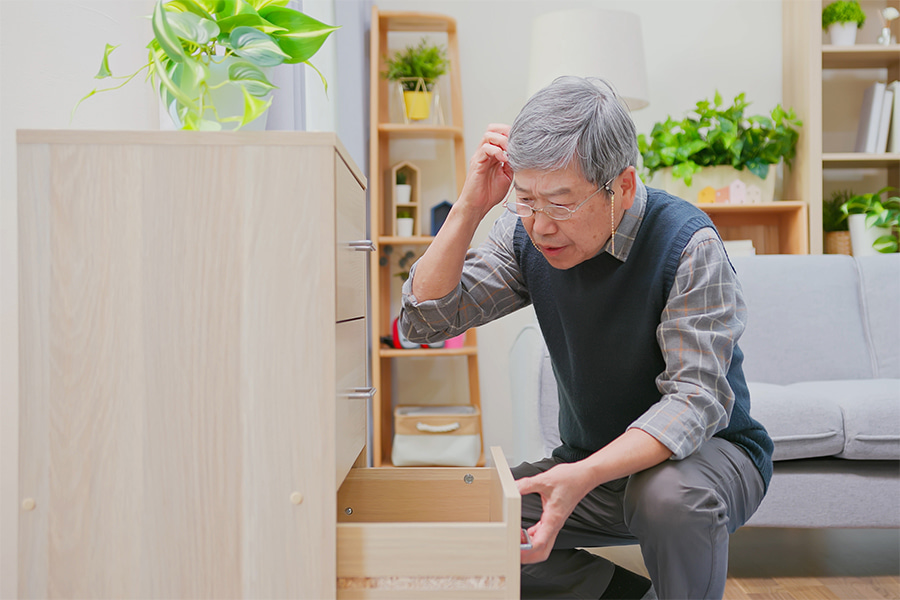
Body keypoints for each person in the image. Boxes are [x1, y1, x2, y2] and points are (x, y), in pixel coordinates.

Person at [399, 76, 773, 600]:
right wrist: (471, 205)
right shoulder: (525, 233)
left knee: (664, 494)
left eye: (560, 203)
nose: (541, 225)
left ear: (621, 185)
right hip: (592, 464)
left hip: (706, 460)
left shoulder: (688, 244)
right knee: (464, 526)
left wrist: (581, 475)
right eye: (525, 200)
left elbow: (695, 401)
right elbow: (423, 322)